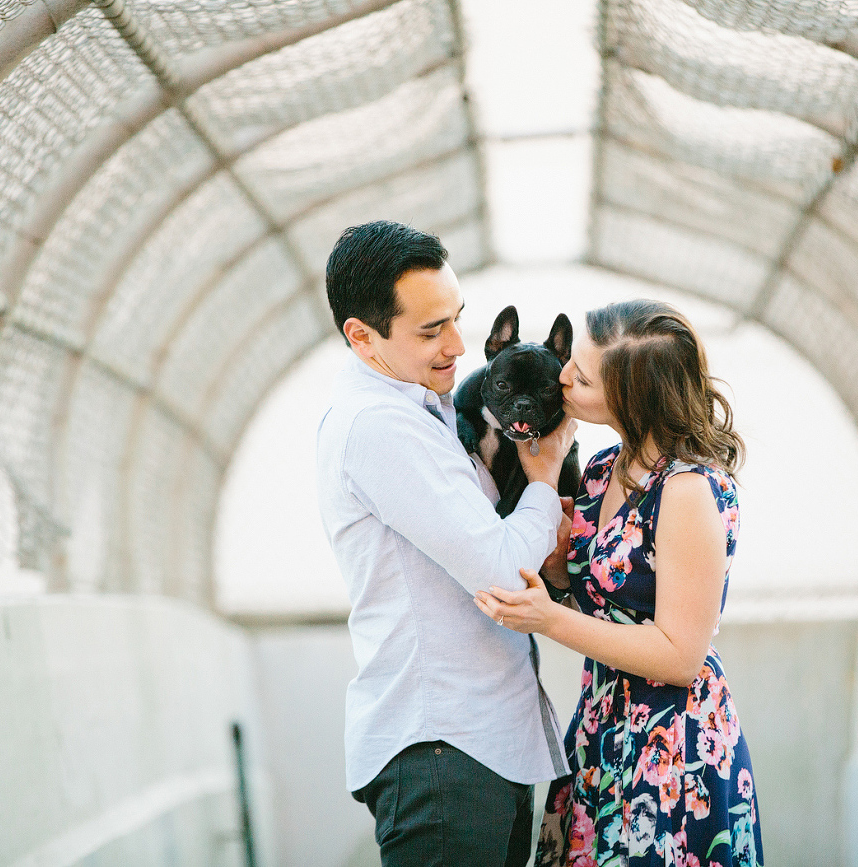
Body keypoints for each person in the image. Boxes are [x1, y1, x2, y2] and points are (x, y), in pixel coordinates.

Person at [316, 220, 577, 866]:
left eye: (456, 318)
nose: (458, 345)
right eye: (431, 330)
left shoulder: (423, 410)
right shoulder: (379, 424)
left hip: (473, 751)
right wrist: (544, 478)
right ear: (361, 335)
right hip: (443, 759)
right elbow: (499, 569)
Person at [474, 299, 764, 866]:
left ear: (630, 397)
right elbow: (585, 575)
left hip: (671, 750)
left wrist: (549, 619)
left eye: (579, 375)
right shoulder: (606, 468)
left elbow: (679, 655)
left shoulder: (687, 492)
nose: (561, 376)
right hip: (600, 727)